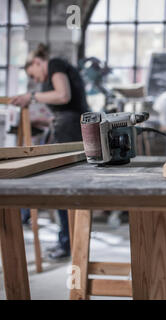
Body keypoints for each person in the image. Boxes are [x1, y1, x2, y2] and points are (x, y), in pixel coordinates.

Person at [11, 43, 90, 260]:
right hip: (71, 129)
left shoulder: (55, 64)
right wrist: (45, 121)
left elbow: (63, 96)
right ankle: (68, 241)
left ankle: (68, 243)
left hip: (72, 132)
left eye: (33, 75)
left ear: (37, 62)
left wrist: (32, 96)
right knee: (65, 191)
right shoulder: (56, 69)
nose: (36, 80)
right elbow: (68, 108)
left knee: (65, 190)